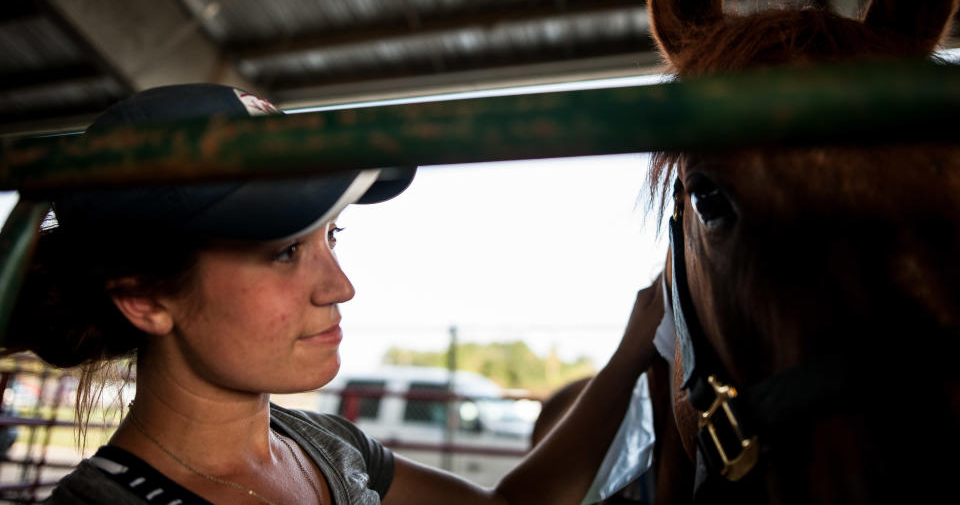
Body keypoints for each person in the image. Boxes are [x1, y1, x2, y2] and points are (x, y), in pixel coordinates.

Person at [5, 84, 664, 505]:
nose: (340, 286)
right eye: (286, 249)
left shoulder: (321, 444)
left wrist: (637, 342)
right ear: (145, 297)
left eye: (333, 237)